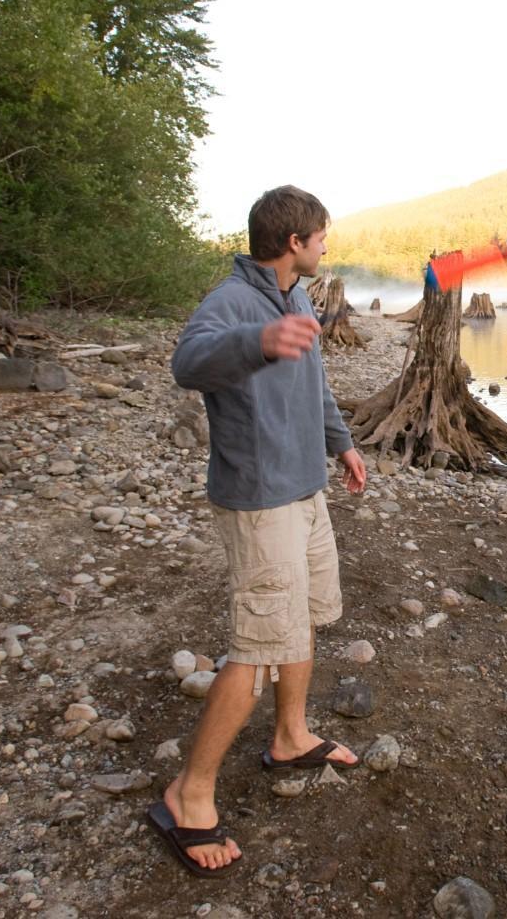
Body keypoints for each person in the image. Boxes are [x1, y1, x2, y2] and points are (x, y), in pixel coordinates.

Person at [147, 185, 367, 878]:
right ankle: (189, 795)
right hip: (258, 501)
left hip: (304, 487)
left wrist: (342, 443)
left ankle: (290, 734)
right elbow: (187, 363)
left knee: (300, 619)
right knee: (256, 643)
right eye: (320, 236)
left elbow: (316, 384)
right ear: (293, 241)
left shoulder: (296, 295)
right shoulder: (232, 304)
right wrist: (257, 341)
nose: (326, 246)